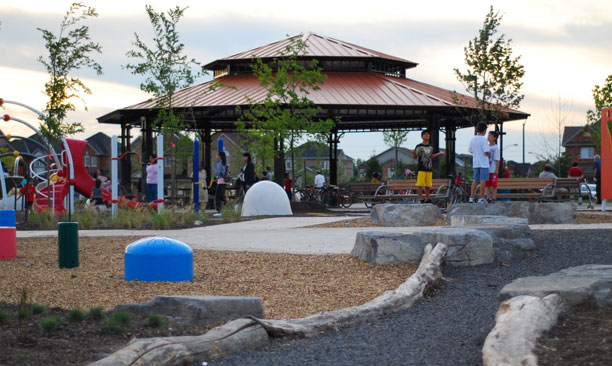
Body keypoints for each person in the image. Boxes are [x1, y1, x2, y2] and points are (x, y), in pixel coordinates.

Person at [412, 129, 444, 203]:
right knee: (419, 184)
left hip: (429, 168)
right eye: (425, 134)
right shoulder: (419, 146)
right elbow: (415, 157)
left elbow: (431, 156)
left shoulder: (430, 147)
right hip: (421, 168)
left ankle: (427, 198)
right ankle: (421, 198)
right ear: (422, 136)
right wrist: (413, 153)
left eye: (428, 134)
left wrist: (439, 154)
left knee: (428, 185)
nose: (427, 135)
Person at [468, 122, 491, 204]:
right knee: (483, 180)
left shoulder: (473, 139)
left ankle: (471, 197)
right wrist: (489, 155)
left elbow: (470, 150)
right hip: (484, 163)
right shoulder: (484, 139)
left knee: (475, 180)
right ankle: (481, 198)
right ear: (484, 130)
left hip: (475, 162)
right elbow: (486, 151)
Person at [485, 131, 500, 202]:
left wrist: (496, 169)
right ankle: (488, 197)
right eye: (488, 135)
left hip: (493, 169)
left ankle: (494, 197)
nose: (488, 137)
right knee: (487, 185)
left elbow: (497, 160)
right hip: (486, 168)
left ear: (494, 138)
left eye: (490, 135)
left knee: (494, 184)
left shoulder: (496, 147)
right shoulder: (486, 146)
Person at [212, 151, 228, 216]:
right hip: (224, 182)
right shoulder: (225, 164)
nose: (216, 156)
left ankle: (219, 210)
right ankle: (225, 208)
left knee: (217, 196)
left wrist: (213, 166)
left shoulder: (220, 164)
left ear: (220, 156)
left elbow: (218, 173)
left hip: (220, 181)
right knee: (222, 196)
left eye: (217, 155)